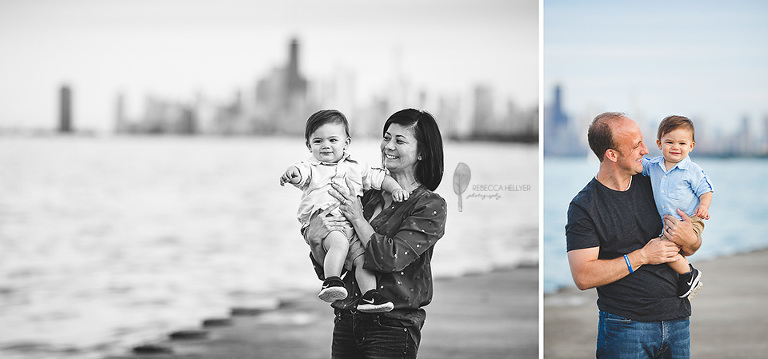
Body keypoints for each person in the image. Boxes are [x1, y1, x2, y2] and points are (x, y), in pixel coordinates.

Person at [303, 108, 446, 358]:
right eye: (386, 137)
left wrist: (358, 219)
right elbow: (329, 267)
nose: (388, 146)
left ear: (422, 152)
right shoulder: (365, 194)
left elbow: (390, 257)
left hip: (392, 328)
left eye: (399, 140)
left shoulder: (429, 205)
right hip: (346, 321)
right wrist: (316, 239)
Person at [566, 112, 702, 358]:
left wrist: (689, 238)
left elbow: (691, 246)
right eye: (637, 145)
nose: (646, 149)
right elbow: (583, 277)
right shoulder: (584, 206)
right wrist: (642, 256)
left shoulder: (657, 183)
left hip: (678, 321)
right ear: (612, 155)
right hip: (626, 328)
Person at [280, 109, 409, 313]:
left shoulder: (356, 166)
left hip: (350, 226)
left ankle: (370, 297)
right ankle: (331, 282)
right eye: (318, 141)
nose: (326, 146)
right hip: (325, 223)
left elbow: (379, 178)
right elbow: (299, 174)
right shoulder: (311, 167)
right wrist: (291, 175)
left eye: (333, 140)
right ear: (308, 145)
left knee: (363, 260)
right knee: (338, 243)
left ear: (346, 143)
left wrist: (396, 189)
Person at [642, 115, 713, 300]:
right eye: (670, 142)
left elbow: (706, 191)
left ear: (691, 146)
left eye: (682, 143)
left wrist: (704, 207)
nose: (676, 147)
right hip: (670, 222)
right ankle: (684, 274)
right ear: (659, 143)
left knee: (664, 248)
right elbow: (637, 165)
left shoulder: (692, 171)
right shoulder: (654, 166)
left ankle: (689, 275)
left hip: (691, 219)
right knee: (668, 248)